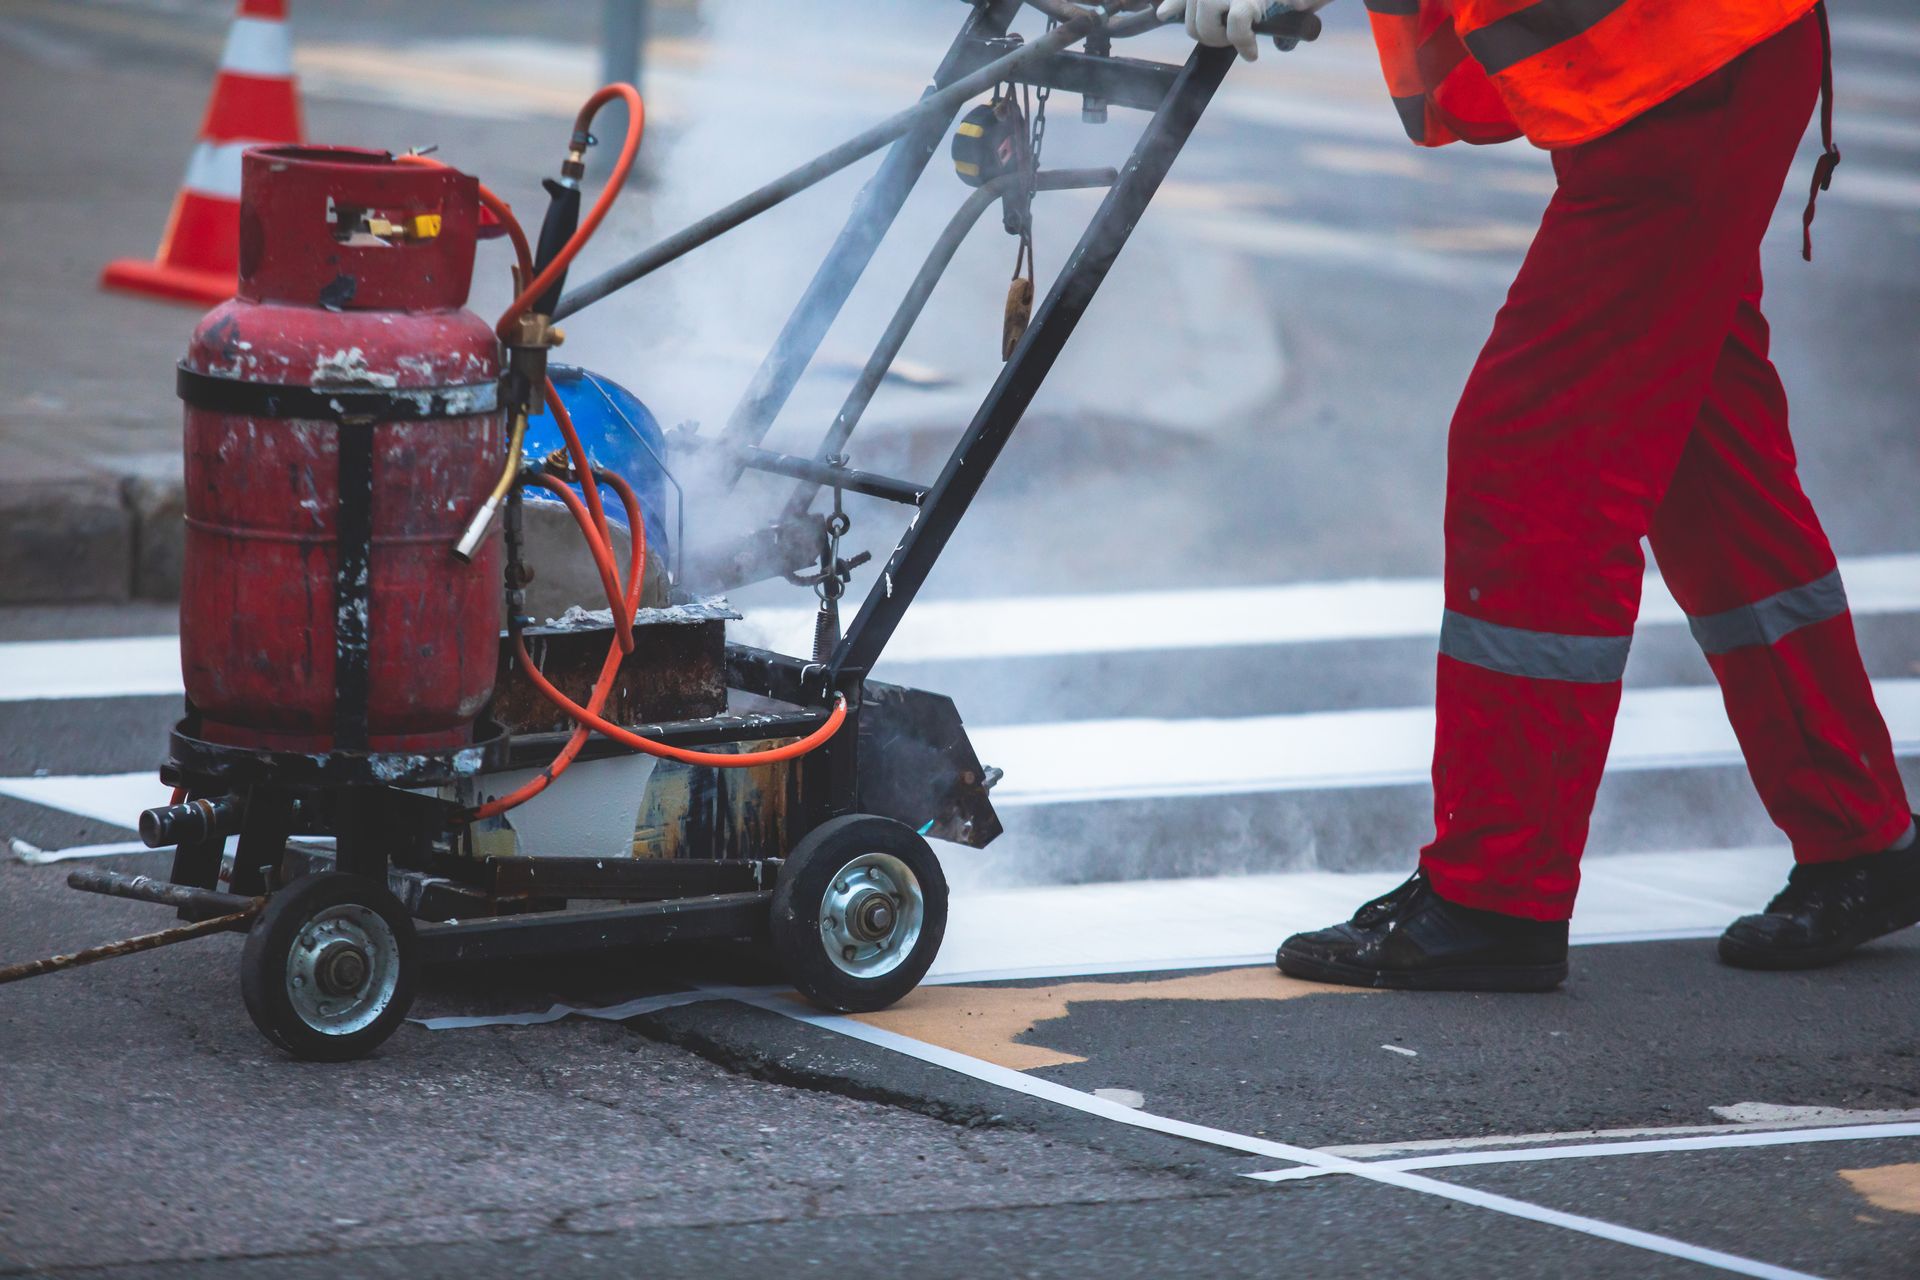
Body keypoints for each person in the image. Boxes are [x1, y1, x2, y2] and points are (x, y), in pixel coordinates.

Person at [1154, 0, 1920, 990]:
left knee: (1533, 453)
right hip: (1680, 65)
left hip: (1691, 69)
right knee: (1705, 462)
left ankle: (1495, 890)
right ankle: (1856, 830)